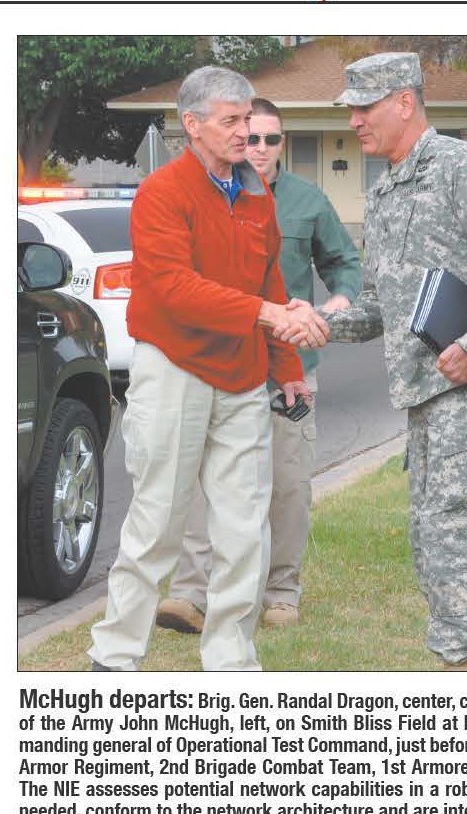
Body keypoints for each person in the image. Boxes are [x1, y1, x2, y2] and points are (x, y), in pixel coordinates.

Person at [87, 67, 329, 671]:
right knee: (157, 522)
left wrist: (289, 369)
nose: (246, 133)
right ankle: (114, 657)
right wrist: (268, 314)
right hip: (174, 367)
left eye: (249, 120)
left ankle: (231, 661)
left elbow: (269, 278)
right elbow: (173, 289)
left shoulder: (255, 192)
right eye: (232, 121)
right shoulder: (162, 193)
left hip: (244, 378)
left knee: (246, 529)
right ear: (191, 126)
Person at [324, 52, 467, 670]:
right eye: (352, 109)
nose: (355, 120)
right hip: (427, 403)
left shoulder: (463, 171)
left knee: (455, 561)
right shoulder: (387, 191)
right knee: (435, 556)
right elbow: (379, 306)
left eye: (365, 107)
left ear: (405, 102)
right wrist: (317, 323)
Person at [156, 97, 361, 633]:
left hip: (289, 364)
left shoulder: (307, 201)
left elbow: (343, 264)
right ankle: (190, 594)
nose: (260, 146)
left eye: (271, 138)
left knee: (287, 481)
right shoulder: (204, 195)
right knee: (206, 482)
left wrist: (338, 301)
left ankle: (281, 592)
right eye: (252, 135)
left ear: (282, 142)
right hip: (218, 361)